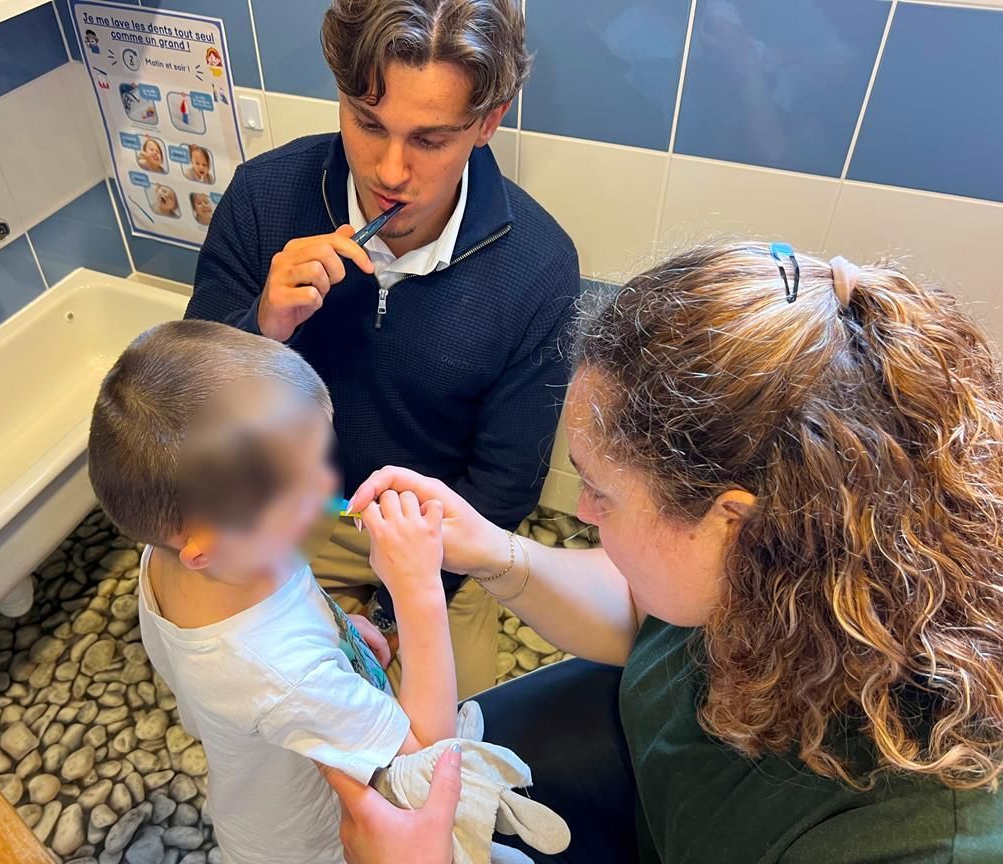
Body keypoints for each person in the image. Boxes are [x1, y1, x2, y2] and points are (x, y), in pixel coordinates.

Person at [333, 243, 1003, 862]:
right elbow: (640, 607)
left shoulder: (910, 836)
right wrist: (494, 552)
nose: (582, 513)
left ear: (734, 525)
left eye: (601, 493)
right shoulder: (802, 546)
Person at [185, 0, 579, 699]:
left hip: (443, 534)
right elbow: (185, 409)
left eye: (430, 140)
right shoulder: (263, 197)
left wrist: (403, 610)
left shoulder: (540, 264)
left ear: (488, 123)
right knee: (256, 703)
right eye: (368, 123)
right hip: (291, 511)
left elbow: (507, 480)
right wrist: (261, 327)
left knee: (445, 740)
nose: (390, 172)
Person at [86, 320, 456, 864]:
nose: (331, 490)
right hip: (319, 845)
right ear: (205, 548)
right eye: (298, 496)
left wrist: (336, 630)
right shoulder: (286, 675)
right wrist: (420, 592)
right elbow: (425, 769)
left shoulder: (177, 559)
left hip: (253, 809)